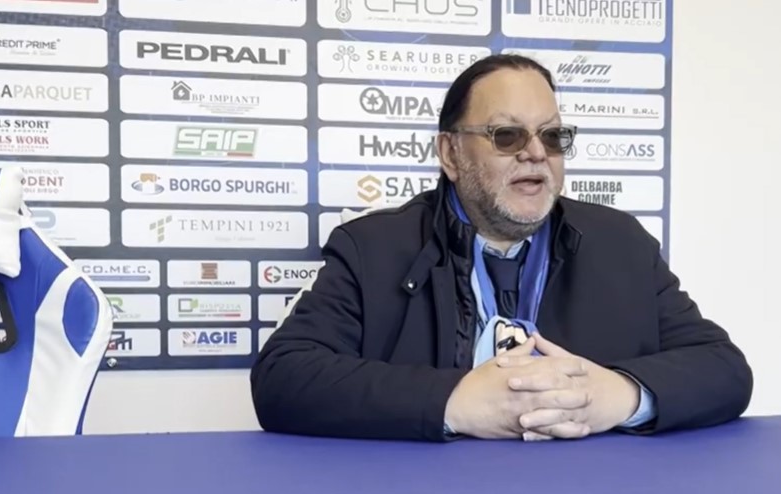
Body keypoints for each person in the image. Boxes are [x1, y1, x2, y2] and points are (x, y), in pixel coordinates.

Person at [251, 53, 752, 441]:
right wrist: (455, 402)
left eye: (552, 136)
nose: (535, 152)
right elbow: (283, 379)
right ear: (450, 153)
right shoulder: (372, 248)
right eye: (507, 135)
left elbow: (724, 369)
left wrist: (619, 394)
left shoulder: (621, 244)